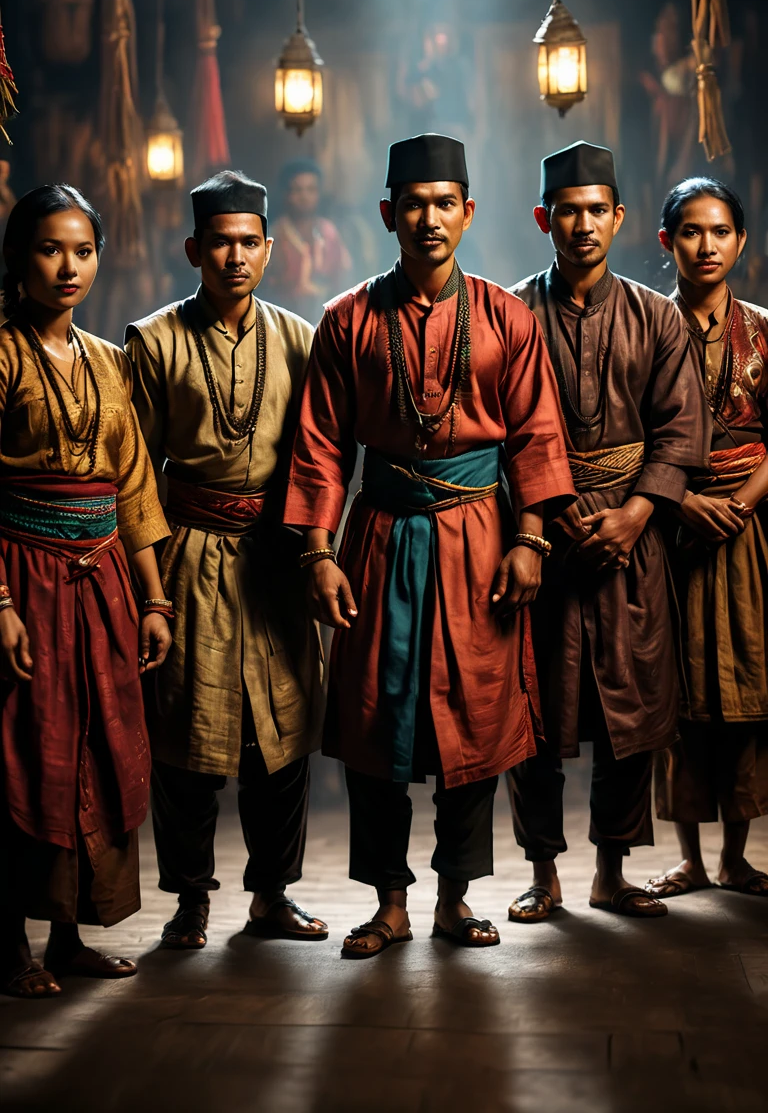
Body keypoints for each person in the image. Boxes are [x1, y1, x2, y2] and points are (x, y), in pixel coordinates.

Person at [284, 133, 575, 958]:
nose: (429, 217)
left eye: (445, 202)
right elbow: (321, 447)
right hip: (380, 536)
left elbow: (535, 434)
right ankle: (388, 905)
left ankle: (453, 900)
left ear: (469, 213)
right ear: (388, 214)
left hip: (481, 537)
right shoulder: (346, 320)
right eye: (414, 203)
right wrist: (316, 552)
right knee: (379, 726)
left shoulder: (506, 317)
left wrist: (530, 538)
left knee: (475, 721)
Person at [506, 140, 709, 923]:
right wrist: (552, 516)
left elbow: (680, 430)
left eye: (597, 211)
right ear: (543, 219)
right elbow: (502, 434)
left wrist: (633, 516)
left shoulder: (657, 319)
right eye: (568, 212)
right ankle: (544, 875)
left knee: (631, 713)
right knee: (539, 718)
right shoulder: (514, 313)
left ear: (619, 218)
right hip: (541, 541)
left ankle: (611, 873)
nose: (583, 225)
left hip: (634, 539)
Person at [125, 169, 327, 951]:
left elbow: (317, 462)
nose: (235, 256)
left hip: (274, 559)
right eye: (220, 242)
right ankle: (189, 901)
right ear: (194, 249)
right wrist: (148, 587)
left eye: (249, 242)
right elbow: (135, 470)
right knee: (188, 740)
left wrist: (315, 554)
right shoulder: (153, 341)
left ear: (268, 250)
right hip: (186, 556)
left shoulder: (301, 339)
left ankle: (272, 896)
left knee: (280, 740)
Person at [0, 185, 171, 999]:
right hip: (21, 576)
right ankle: (8, 946)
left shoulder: (108, 360)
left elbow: (133, 484)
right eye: (49, 249)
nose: (68, 267)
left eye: (83, 250)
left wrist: (155, 598)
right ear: (18, 258)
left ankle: (67, 938)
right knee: (21, 753)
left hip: (100, 579)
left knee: (92, 751)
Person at [647, 178, 768, 900]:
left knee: (749, 686)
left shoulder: (763, 330)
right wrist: (684, 500)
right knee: (682, 692)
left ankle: (735, 856)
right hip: (671, 526)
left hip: (751, 529)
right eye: (691, 231)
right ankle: (690, 857)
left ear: (741, 240)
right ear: (667, 241)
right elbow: (632, 437)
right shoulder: (645, 327)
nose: (707, 244)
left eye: (720, 231)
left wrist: (744, 503)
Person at [267, 159, 352, 323]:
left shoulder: (329, 232)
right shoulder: (275, 235)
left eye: (311, 189)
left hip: (328, 321)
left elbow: (344, 276)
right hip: (285, 321)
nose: (304, 197)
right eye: (297, 190)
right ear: (286, 194)